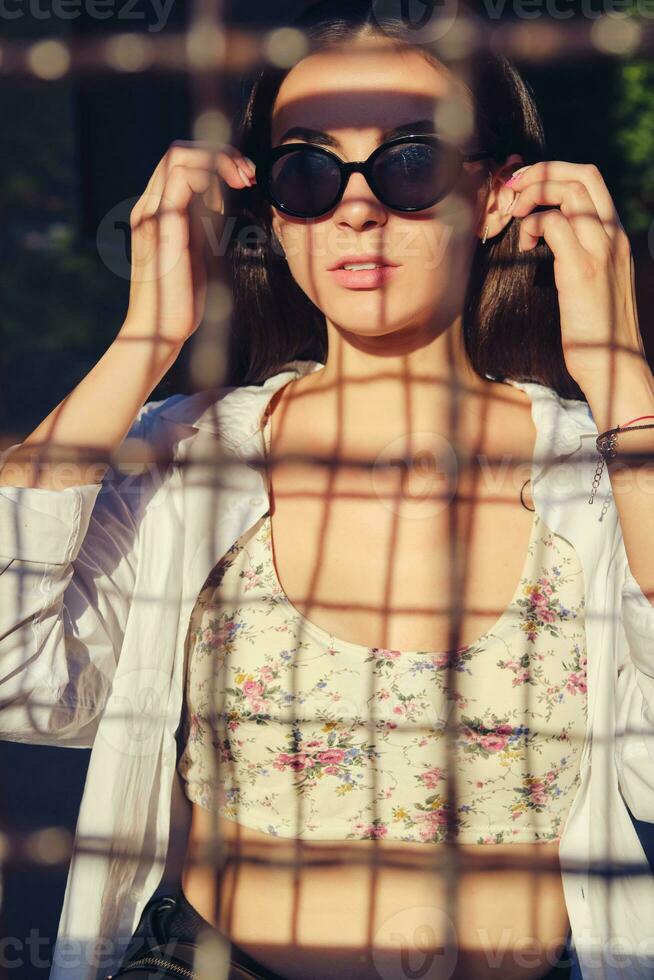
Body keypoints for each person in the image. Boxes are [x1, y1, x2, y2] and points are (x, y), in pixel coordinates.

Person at [1, 1, 654, 979]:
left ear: (497, 195)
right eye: (308, 169)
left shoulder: (592, 470)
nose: (357, 206)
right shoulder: (194, 455)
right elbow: (14, 671)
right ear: (270, 209)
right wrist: (146, 340)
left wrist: (620, 371)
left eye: (412, 162)